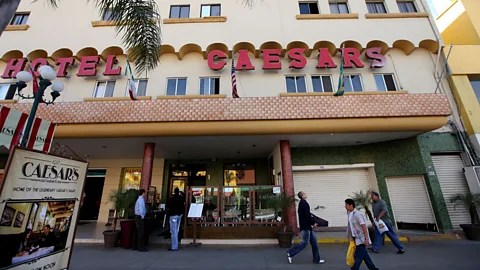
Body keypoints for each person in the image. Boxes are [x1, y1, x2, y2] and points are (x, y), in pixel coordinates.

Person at [286, 191, 324, 264]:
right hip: (306, 227)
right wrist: (313, 223)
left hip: (307, 227)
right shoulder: (304, 203)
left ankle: (317, 259)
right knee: (304, 242)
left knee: (314, 243)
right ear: (302, 196)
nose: (306, 194)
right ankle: (290, 253)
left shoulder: (302, 203)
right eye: (304, 193)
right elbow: (307, 216)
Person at [345, 199, 379, 270]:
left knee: (358, 256)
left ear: (351, 205)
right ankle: (373, 268)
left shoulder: (357, 214)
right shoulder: (351, 214)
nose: (345, 206)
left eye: (346, 205)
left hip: (362, 238)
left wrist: (366, 239)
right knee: (365, 256)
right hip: (356, 238)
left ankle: (354, 268)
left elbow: (364, 227)